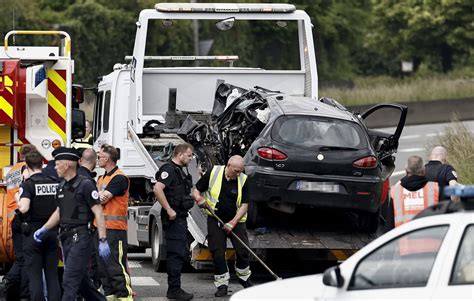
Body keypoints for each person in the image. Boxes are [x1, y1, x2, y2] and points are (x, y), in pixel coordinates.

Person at [33, 147, 110, 301]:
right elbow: (59, 212)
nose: (54, 168)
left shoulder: (86, 185)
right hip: (66, 238)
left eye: (57, 164)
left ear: (67, 165)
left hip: (80, 237)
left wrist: (102, 240)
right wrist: (44, 229)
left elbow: (98, 212)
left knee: (69, 281)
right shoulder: (62, 185)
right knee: (81, 282)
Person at [193, 155, 253, 298]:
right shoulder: (213, 172)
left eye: (241, 171)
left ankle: (244, 277)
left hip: (236, 221)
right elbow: (196, 190)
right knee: (218, 252)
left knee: (243, 250)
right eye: (236, 171)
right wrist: (199, 198)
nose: (238, 174)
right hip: (216, 219)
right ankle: (222, 284)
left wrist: (233, 222)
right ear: (228, 166)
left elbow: (244, 205)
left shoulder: (243, 180)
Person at [17, 151, 61, 301]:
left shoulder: (28, 185)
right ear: (42, 164)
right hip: (53, 231)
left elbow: (23, 208)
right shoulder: (54, 182)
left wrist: (19, 196)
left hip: (34, 233)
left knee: (35, 275)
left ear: (27, 166)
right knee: (52, 275)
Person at [153, 143, 195, 300]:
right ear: (180, 155)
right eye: (189, 155)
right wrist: (169, 209)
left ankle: (175, 288)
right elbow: (157, 189)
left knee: (179, 252)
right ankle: (174, 290)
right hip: (174, 218)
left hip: (180, 217)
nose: (191, 158)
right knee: (175, 253)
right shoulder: (169, 170)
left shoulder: (179, 171)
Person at [95, 144, 133, 301]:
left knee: (115, 266)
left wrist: (91, 197)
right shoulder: (102, 177)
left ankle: (125, 296)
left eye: (99, 156)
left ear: (108, 158)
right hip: (102, 228)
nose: (97, 159)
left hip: (115, 229)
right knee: (103, 268)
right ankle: (110, 296)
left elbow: (103, 198)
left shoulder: (119, 178)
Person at [1, 144, 36, 300]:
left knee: (20, 257)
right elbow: (28, 189)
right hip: (23, 215)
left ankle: (10, 285)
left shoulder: (12, 170)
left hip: (11, 217)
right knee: (26, 258)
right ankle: (19, 290)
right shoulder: (25, 170)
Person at [390, 155, 439, 227]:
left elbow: (389, 225)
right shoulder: (435, 189)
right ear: (423, 170)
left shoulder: (396, 191)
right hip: (429, 235)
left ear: (406, 170)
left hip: (403, 236)